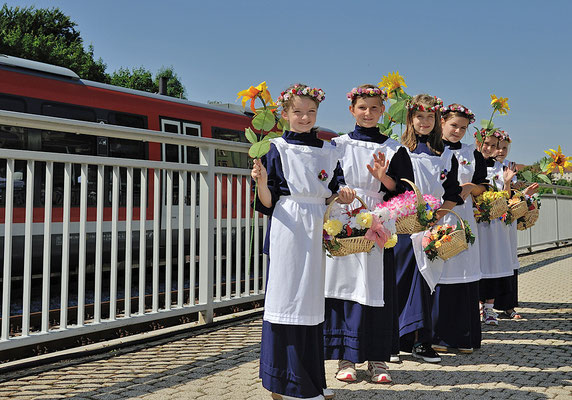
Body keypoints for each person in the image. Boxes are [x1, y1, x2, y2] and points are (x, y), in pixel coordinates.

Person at [252, 83, 355, 400]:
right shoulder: (275, 148)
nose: (305, 117)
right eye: (297, 112)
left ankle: (310, 382)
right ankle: (286, 383)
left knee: (311, 304)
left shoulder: (328, 150)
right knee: (287, 301)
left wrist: (344, 194)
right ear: (284, 114)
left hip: (315, 229)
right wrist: (259, 182)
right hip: (287, 227)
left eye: (311, 112)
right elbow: (268, 202)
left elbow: (335, 192)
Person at [323, 85, 414, 384]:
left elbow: (403, 191)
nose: (368, 113)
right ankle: (345, 357)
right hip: (345, 218)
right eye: (362, 107)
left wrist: (382, 178)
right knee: (344, 286)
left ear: (383, 111)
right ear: (352, 109)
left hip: (378, 220)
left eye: (375, 108)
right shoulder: (336, 145)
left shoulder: (394, 149)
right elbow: (328, 181)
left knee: (378, 288)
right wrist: (340, 191)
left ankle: (378, 359)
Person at [394, 94, 463, 363]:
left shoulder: (445, 155)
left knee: (427, 283)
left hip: (431, 228)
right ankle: (399, 339)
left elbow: (453, 192)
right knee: (400, 281)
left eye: (430, 117)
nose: (424, 121)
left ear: (436, 120)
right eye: (419, 116)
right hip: (403, 226)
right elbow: (394, 189)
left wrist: (437, 216)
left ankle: (423, 342)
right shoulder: (400, 152)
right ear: (410, 119)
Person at [425, 104, 487, 354]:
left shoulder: (473, 154)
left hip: (462, 219)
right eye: (453, 125)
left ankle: (463, 337)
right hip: (435, 216)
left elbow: (485, 187)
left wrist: (472, 188)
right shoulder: (428, 150)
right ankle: (435, 335)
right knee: (437, 270)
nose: (458, 131)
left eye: (463, 127)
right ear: (441, 123)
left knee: (463, 271)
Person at [474, 129, 515, 326]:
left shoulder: (501, 169)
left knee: (493, 264)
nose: (490, 149)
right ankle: (476, 306)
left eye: (494, 146)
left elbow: (507, 198)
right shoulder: (470, 163)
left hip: (495, 224)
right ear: (478, 142)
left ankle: (490, 310)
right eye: (487, 145)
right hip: (476, 222)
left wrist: (507, 183)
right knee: (476, 264)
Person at [494, 136, 538, 319]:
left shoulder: (510, 166)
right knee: (489, 260)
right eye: (497, 147)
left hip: (506, 221)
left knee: (509, 260)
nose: (500, 151)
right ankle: (485, 305)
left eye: (504, 148)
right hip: (489, 219)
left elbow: (512, 195)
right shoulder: (482, 165)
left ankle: (508, 305)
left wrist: (523, 194)